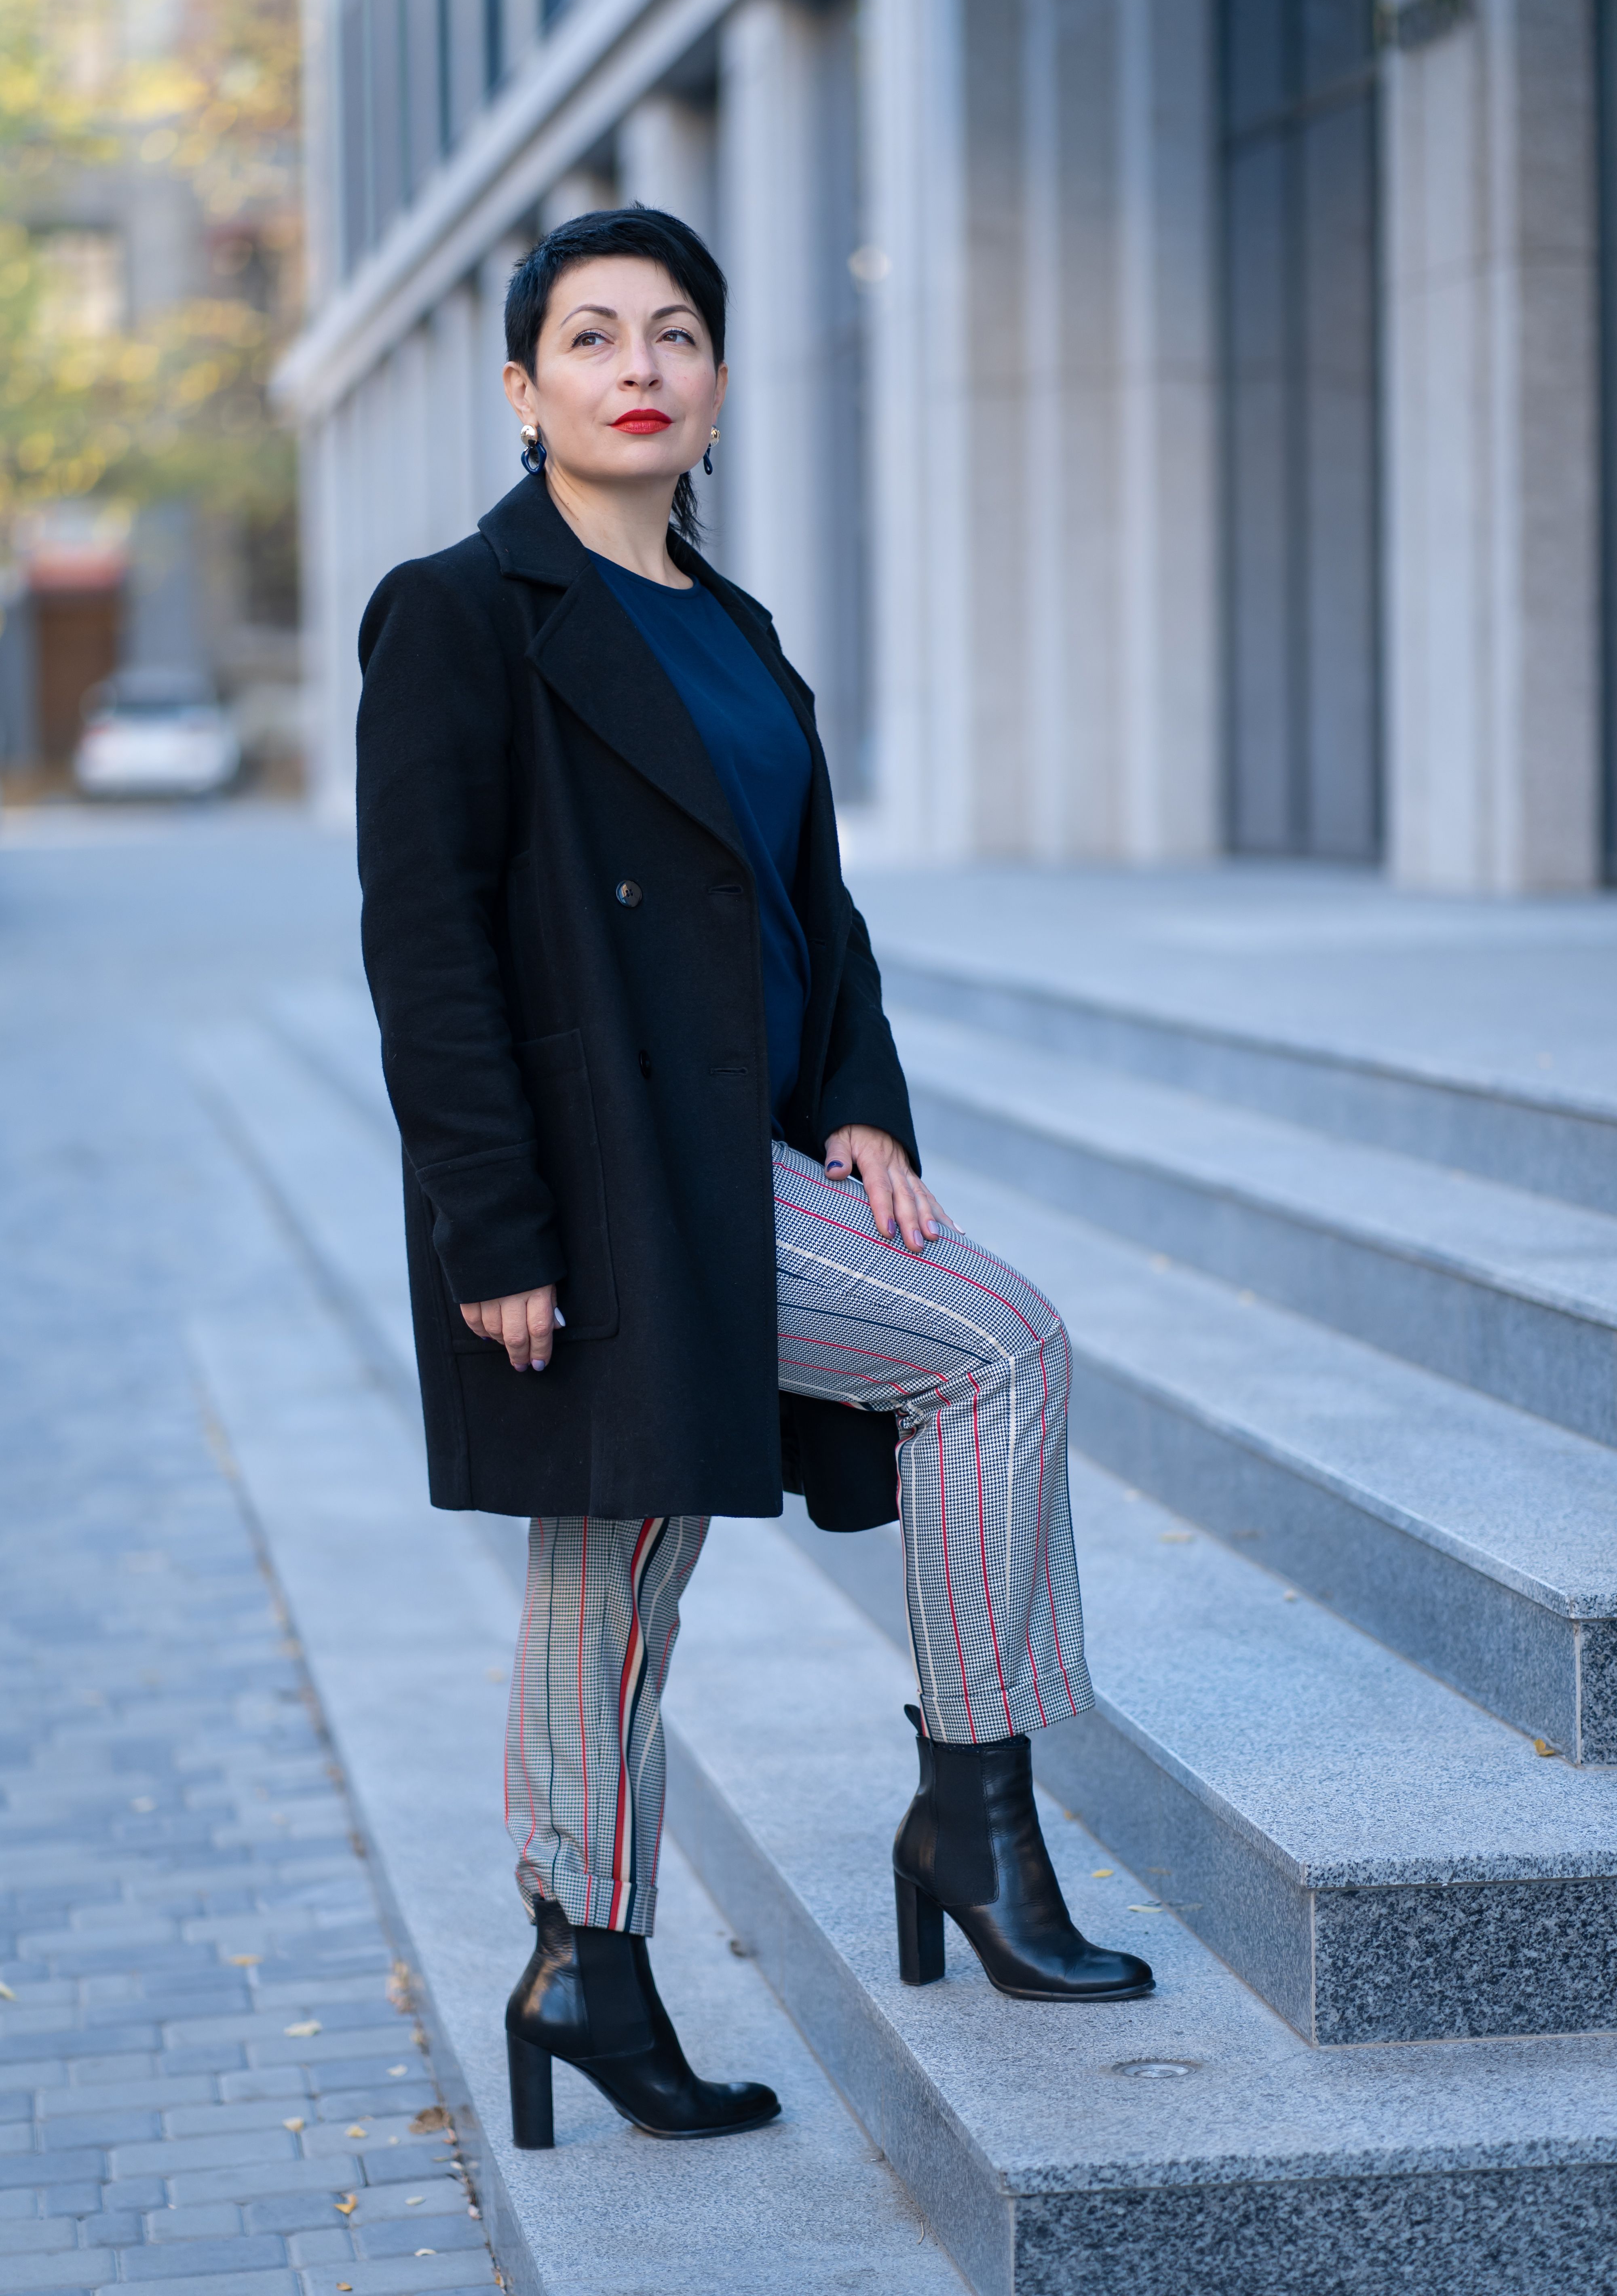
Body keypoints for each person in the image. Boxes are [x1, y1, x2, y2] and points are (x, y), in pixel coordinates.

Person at [355, 206, 1151, 2155]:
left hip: (744, 1158)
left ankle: (856, 1861)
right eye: (594, 335)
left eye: (677, 335)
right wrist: (495, 1224)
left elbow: (816, 903)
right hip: (607, 1176)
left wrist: (863, 1098)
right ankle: (670, 1932)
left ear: (714, 383)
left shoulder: (729, 625)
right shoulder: (462, 610)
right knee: (666, 1535)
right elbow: (427, 944)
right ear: (525, 384)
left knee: (899, 1399)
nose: (640, 365)